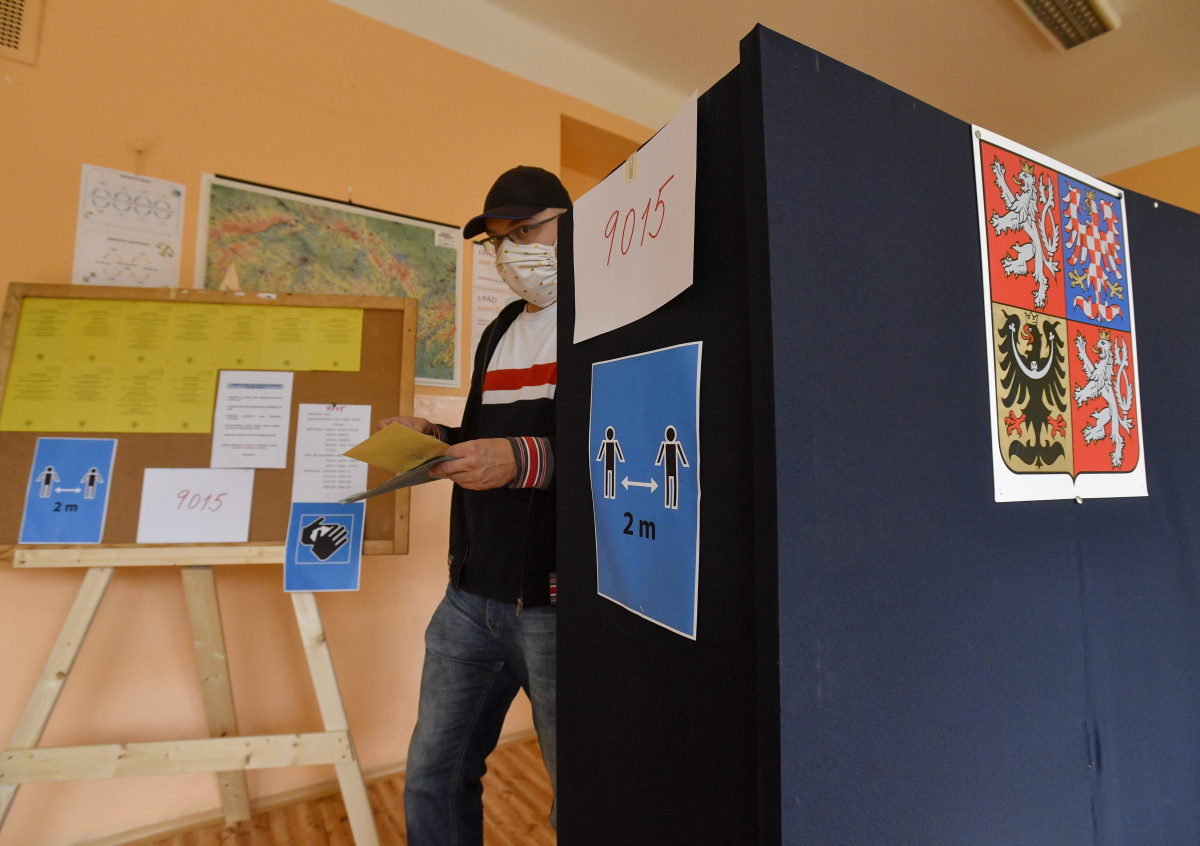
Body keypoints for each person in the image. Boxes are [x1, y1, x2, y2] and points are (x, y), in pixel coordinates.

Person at [379, 165, 569, 845]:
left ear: (569, 223)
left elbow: (622, 449)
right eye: (496, 240)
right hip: (468, 597)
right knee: (432, 776)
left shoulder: (606, 319)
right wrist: (437, 438)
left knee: (583, 794)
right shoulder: (500, 329)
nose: (510, 252)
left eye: (524, 231)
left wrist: (523, 459)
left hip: (554, 605)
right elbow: (488, 438)